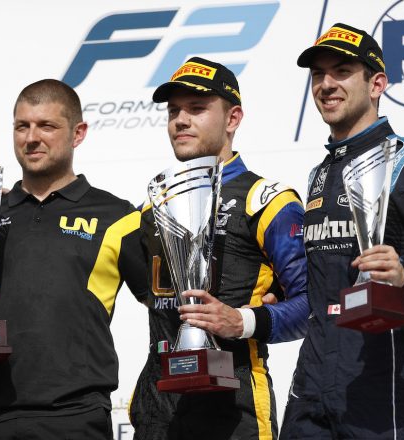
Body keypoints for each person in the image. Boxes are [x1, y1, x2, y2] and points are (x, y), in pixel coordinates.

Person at [0, 79, 149, 439]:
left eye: (46, 125)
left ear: (78, 133)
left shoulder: (117, 216)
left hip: (76, 420)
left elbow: (167, 306)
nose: (32, 138)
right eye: (22, 126)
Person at [280, 23, 404, 439]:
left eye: (341, 71)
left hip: (382, 381)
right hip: (311, 382)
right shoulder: (320, 174)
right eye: (318, 74)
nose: (326, 84)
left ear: (376, 84)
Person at [129, 57, 310, 440]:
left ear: (233, 118)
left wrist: (243, 321)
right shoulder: (152, 206)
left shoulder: (265, 200)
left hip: (233, 409)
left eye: (197, 109)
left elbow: (313, 305)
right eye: (174, 111)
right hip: (158, 408)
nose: (181, 120)